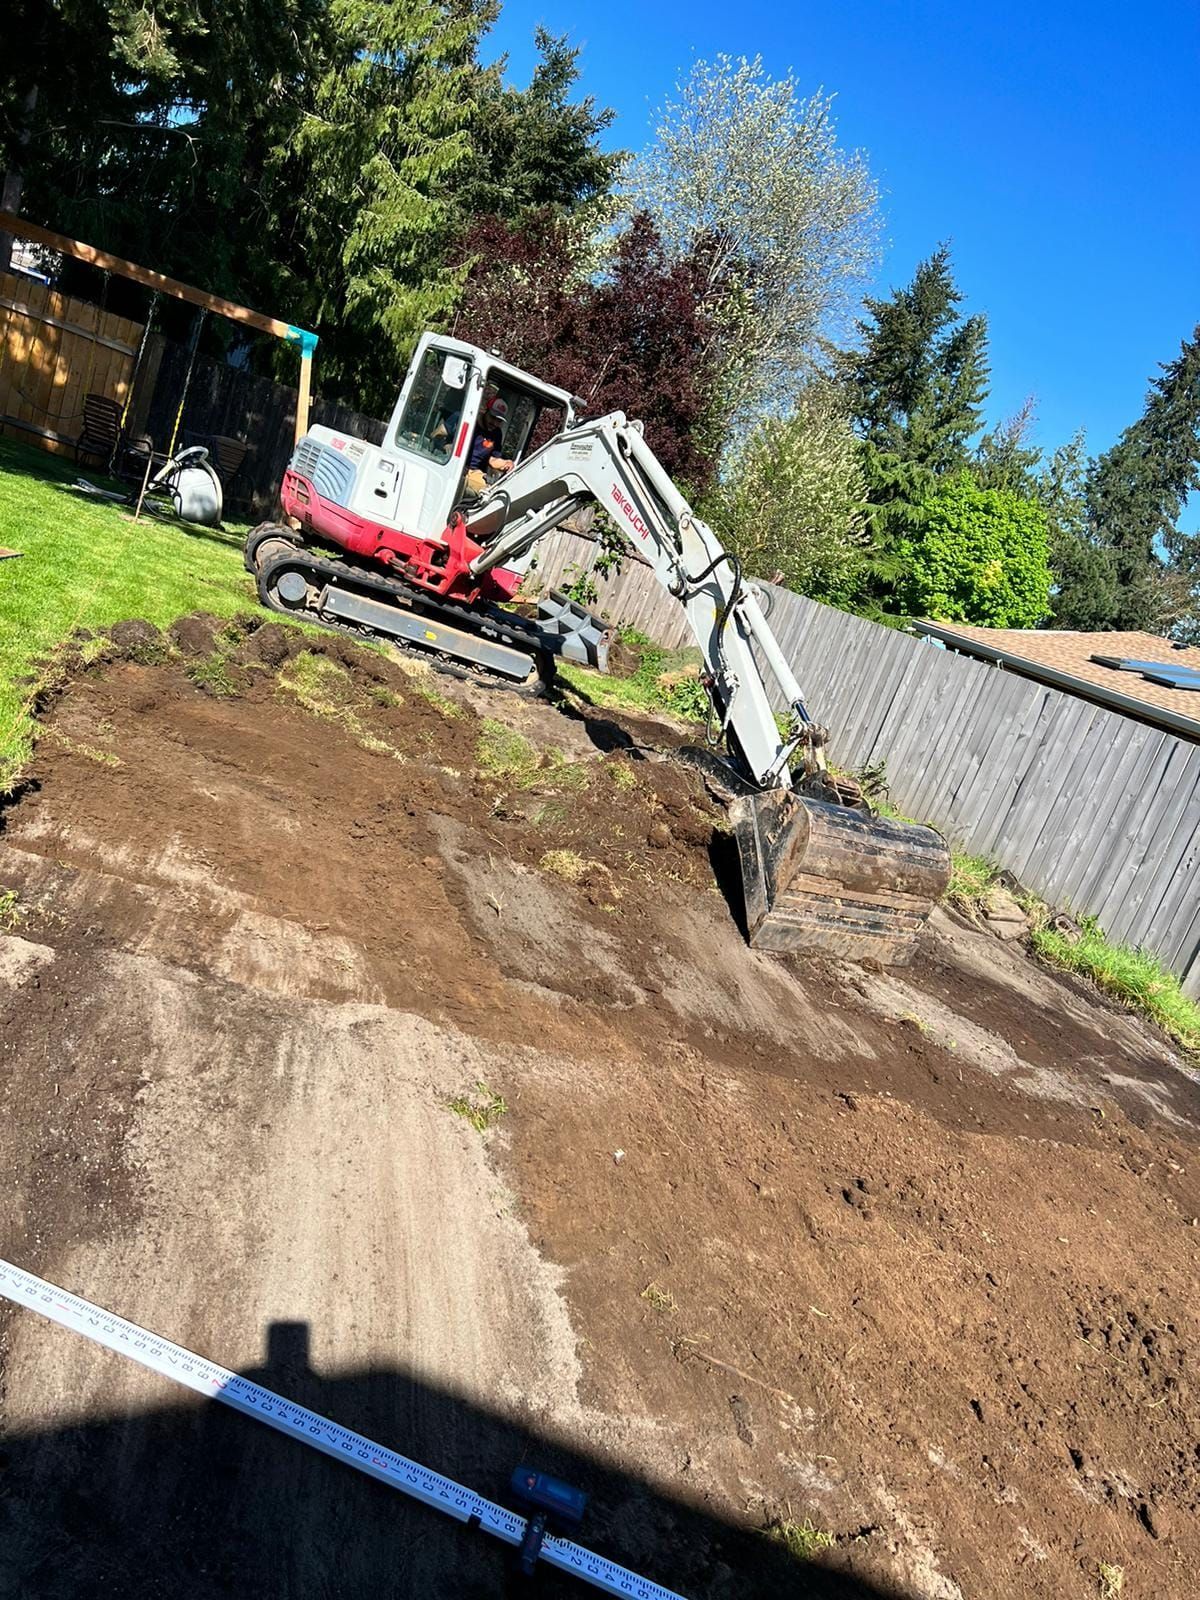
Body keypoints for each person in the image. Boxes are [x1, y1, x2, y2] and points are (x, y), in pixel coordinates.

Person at [464, 397, 514, 494]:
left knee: (486, 491)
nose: (495, 423)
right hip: (456, 465)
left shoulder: (496, 434)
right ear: (485, 411)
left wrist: (506, 463)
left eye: (499, 421)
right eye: (492, 417)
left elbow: (493, 459)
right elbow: (441, 434)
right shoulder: (469, 422)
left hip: (473, 472)